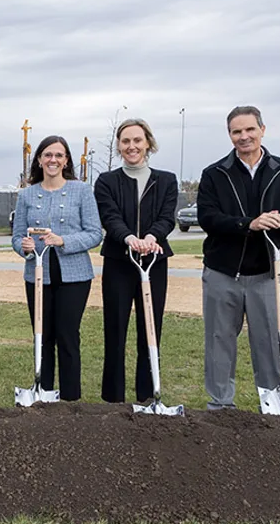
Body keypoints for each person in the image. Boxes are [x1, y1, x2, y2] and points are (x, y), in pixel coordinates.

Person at [198, 106, 280, 410]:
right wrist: (247, 223)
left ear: (263, 130)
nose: (244, 136)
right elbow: (208, 217)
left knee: (269, 343)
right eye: (237, 131)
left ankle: (273, 404)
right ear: (230, 135)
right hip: (223, 272)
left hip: (267, 272)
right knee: (219, 341)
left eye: (250, 129)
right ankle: (221, 406)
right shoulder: (215, 173)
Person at [94, 118, 179, 403]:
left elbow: (167, 217)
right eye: (126, 141)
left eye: (137, 140)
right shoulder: (107, 181)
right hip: (119, 261)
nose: (132, 146)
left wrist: (152, 237)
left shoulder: (166, 180)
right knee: (115, 330)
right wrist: (129, 238)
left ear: (148, 143)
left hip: (154, 262)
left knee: (150, 330)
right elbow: (110, 217)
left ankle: (147, 397)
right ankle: (113, 399)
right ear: (119, 146)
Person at [11, 135, 102, 401]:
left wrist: (64, 240)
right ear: (39, 159)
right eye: (48, 155)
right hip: (38, 273)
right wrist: (24, 246)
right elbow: (17, 237)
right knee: (42, 334)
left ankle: (71, 399)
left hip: (74, 274)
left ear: (66, 160)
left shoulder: (82, 190)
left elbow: (95, 234)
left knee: (67, 335)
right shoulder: (27, 194)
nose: (53, 160)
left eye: (59, 155)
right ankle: (43, 393)